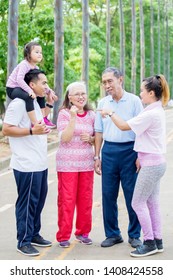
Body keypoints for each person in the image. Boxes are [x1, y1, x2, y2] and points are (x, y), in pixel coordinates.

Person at [99, 74, 170, 257]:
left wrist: (110, 112)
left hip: (151, 164)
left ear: (152, 93)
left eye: (142, 91)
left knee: (137, 202)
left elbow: (123, 126)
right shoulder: (154, 110)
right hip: (154, 162)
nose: (140, 94)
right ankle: (157, 240)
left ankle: (148, 242)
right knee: (151, 203)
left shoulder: (151, 112)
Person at [2, 69, 54, 257]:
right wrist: (32, 132)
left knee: (38, 202)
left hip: (40, 162)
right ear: (31, 85)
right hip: (26, 164)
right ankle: (23, 241)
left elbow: (41, 121)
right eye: (44, 83)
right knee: (27, 204)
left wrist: (49, 103)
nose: (47, 86)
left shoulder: (33, 102)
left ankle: (33, 234)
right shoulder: (19, 103)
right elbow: (6, 130)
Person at [94, 67, 143, 248]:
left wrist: (139, 153)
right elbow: (98, 131)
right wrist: (96, 156)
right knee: (108, 195)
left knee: (132, 194)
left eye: (110, 81)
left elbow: (141, 129)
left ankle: (134, 234)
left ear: (120, 79)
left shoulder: (134, 101)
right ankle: (113, 234)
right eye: (104, 82)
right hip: (109, 152)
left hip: (130, 151)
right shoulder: (102, 103)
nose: (107, 85)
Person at [55, 81, 95, 248]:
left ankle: (83, 232)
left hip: (86, 163)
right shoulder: (64, 113)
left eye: (83, 93)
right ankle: (63, 235)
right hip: (67, 164)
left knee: (86, 199)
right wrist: (73, 117)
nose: (81, 97)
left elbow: (97, 137)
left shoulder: (92, 114)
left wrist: (91, 139)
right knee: (67, 200)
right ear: (69, 97)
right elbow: (65, 138)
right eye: (77, 94)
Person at [6, 41, 57, 128]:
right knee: (28, 97)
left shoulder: (36, 67)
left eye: (41, 52)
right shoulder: (24, 64)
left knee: (41, 94)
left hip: (22, 87)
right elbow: (19, 79)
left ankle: (43, 118)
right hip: (13, 88)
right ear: (28, 54)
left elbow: (42, 83)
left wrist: (49, 91)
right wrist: (29, 90)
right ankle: (34, 122)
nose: (40, 54)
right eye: (36, 52)